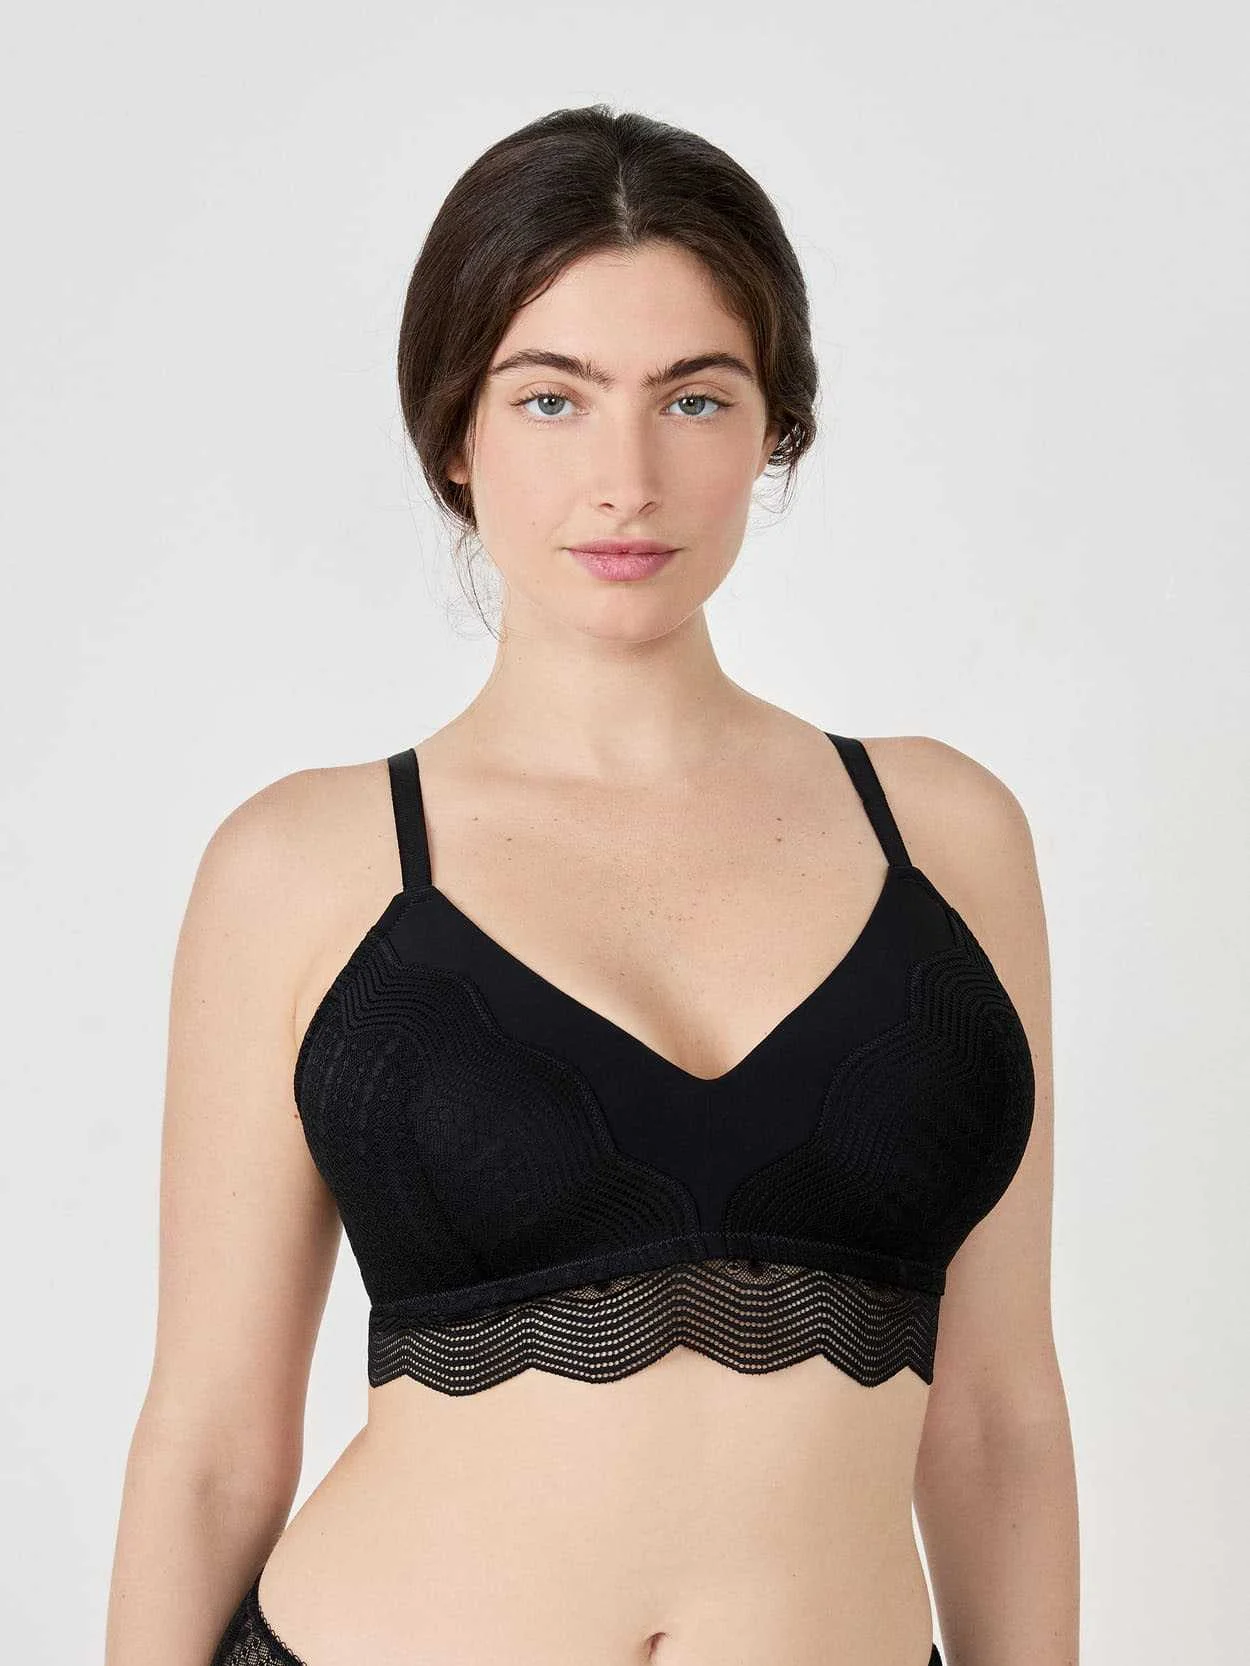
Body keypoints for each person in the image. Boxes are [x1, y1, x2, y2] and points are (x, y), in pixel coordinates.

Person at [105, 104, 1078, 1666]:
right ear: (456, 434)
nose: (625, 477)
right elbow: (212, 1444)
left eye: (692, 398)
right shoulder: (302, 866)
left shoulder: (945, 835)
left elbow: (999, 1420)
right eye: (550, 398)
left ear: (771, 431)